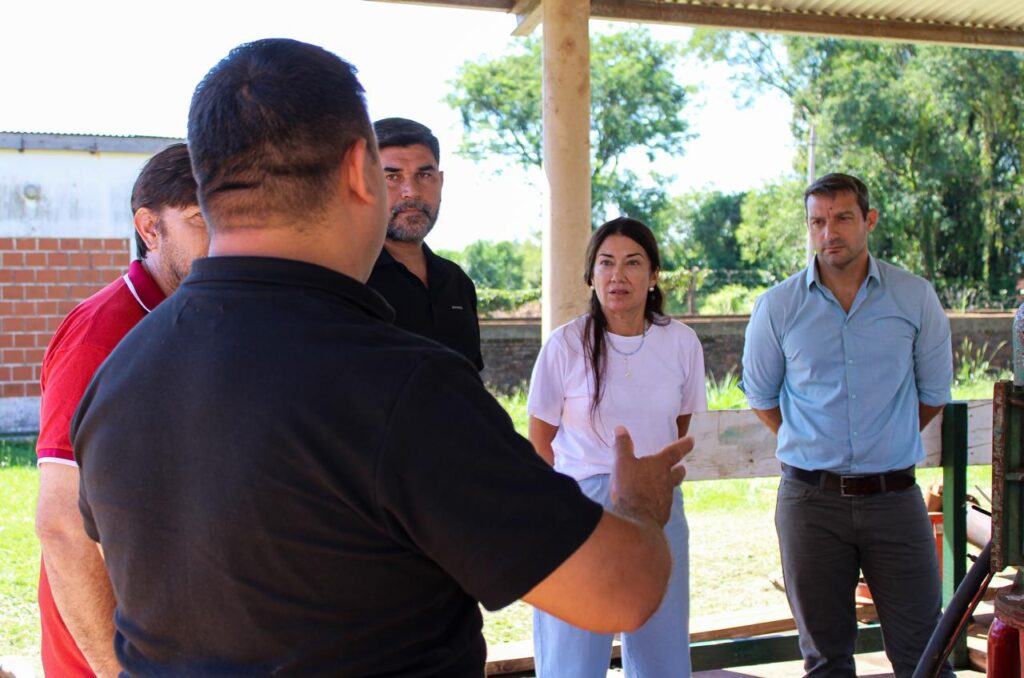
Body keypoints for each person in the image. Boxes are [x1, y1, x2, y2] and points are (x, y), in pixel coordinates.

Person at [70, 39, 693, 677]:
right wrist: (637, 502)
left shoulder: (120, 374)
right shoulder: (400, 387)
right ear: (356, 173)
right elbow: (621, 589)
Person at [741, 173, 953, 677]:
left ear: (869, 220)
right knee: (825, 659)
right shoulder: (778, 306)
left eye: (842, 218)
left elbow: (933, 394)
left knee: (926, 654)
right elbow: (761, 396)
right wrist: (816, 443)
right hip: (810, 504)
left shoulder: (914, 297)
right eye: (818, 221)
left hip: (896, 500)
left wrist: (885, 439)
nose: (828, 232)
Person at [33, 142, 207, 678]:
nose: (226, 237)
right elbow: (62, 524)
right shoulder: (100, 334)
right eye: (202, 219)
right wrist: (116, 671)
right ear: (150, 228)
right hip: (108, 657)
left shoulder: (200, 316)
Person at [528, 217, 707, 677]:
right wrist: (560, 508)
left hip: (658, 504)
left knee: (661, 649)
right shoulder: (564, 344)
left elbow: (677, 423)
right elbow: (540, 442)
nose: (618, 276)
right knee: (573, 654)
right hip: (581, 506)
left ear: (653, 275)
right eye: (606, 263)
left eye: (633, 263)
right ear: (591, 275)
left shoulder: (681, 342)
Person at [366, 117, 483, 370]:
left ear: (440, 181)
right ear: (364, 184)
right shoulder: (350, 279)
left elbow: (471, 380)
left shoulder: (457, 282)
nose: (412, 191)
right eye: (392, 177)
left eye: (424, 174)